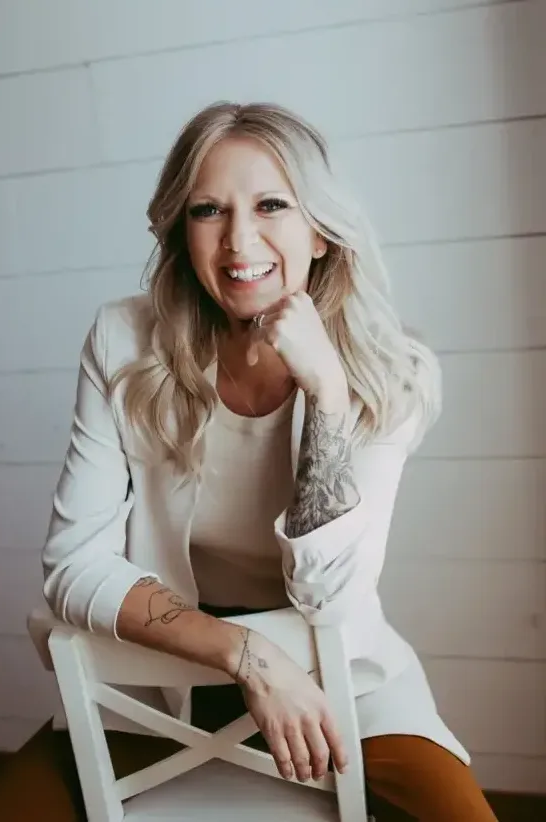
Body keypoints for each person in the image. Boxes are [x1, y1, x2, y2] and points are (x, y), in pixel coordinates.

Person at [32, 102, 496, 821]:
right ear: (181, 233)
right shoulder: (123, 341)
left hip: (338, 671)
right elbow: (72, 566)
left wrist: (329, 400)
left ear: (320, 231)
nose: (238, 240)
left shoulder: (391, 372)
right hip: (157, 671)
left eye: (272, 205)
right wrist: (243, 653)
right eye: (208, 210)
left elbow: (331, 602)